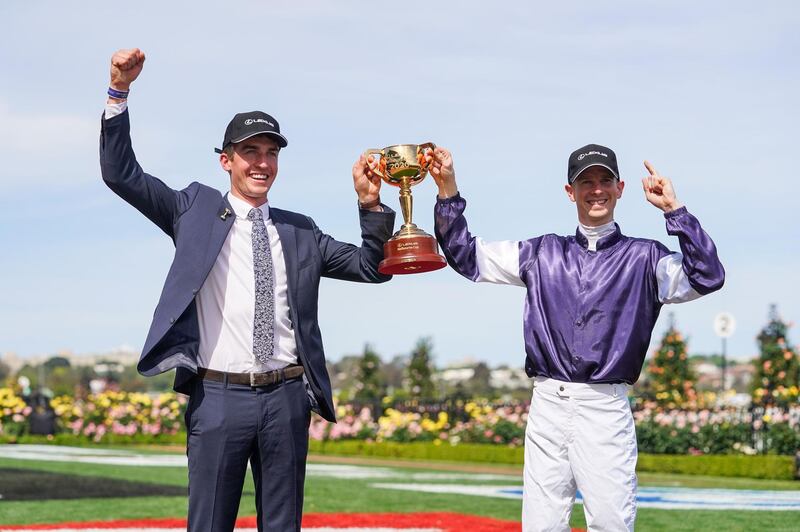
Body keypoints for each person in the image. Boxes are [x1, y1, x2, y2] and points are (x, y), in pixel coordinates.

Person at [100, 48, 395, 532]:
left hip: (286, 399)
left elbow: (372, 267)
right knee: (210, 524)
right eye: (250, 151)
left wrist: (370, 205)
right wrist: (119, 91)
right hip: (217, 397)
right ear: (226, 160)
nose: (262, 162)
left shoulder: (301, 231)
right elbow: (121, 174)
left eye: (271, 152)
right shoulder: (192, 209)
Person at [428, 144, 724, 531]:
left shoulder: (646, 258)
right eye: (586, 181)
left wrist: (675, 211)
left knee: (610, 524)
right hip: (548, 404)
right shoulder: (540, 252)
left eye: (604, 181)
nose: (596, 190)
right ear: (570, 191)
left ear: (620, 188)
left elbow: (708, 276)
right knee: (541, 525)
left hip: (604, 408)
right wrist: (447, 188)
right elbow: (464, 255)